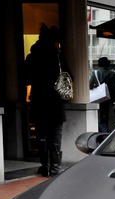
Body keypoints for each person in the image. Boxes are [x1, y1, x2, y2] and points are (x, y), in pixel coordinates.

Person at [24, 24, 70, 177]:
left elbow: (26, 78)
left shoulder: (32, 56)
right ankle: (55, 167)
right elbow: (69, 76)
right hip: (55, 102)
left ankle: (45, 166)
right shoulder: (57, 57)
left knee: (41, 135)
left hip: (38, 101)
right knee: (55, 135)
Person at [89, 57, 115, 132]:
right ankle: (105, 132)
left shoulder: (95, 73)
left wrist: (97, 87)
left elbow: (90, 85)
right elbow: (114, 88)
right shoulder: (111, 74)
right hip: (107, 98)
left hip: (97, 98)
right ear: (107, 64)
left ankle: (100, 130)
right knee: (106, 116)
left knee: (98, 116)